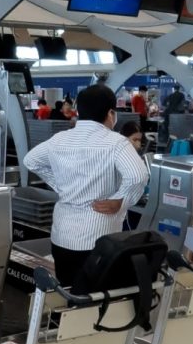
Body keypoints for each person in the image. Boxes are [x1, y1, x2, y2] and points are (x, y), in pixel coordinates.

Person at [24, 85, 149, 285]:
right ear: (110, 113)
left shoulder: (60, 139)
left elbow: (30, 160)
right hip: (98, 239)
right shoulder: (116, 142)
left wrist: (59, 185)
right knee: (97, 299)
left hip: (62, 236)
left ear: (80, 110)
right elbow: (138, 176)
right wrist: (121, 199)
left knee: (69, 294)